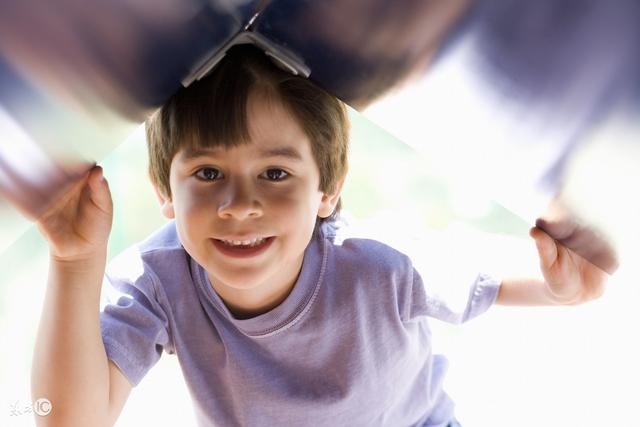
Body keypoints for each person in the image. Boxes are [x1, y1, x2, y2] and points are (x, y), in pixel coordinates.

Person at [30, 45, 608, 427]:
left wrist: (564, 289)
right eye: (208, 174)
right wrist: (75, 260)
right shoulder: (160, 281)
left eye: (275, 174)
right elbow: (63, 418)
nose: (239, 206)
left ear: (327, 190)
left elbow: (494, 281)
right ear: (164, 190)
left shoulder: (376, 266)